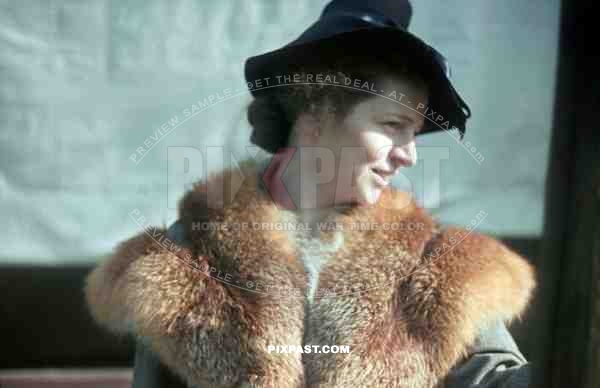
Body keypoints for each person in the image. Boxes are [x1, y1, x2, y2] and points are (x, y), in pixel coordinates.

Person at [85, 1, 535, 387]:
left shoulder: (438, 266)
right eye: (392, 126)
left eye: (414, 134)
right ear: (316, 111)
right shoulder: (185, 260)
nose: (408, 156)